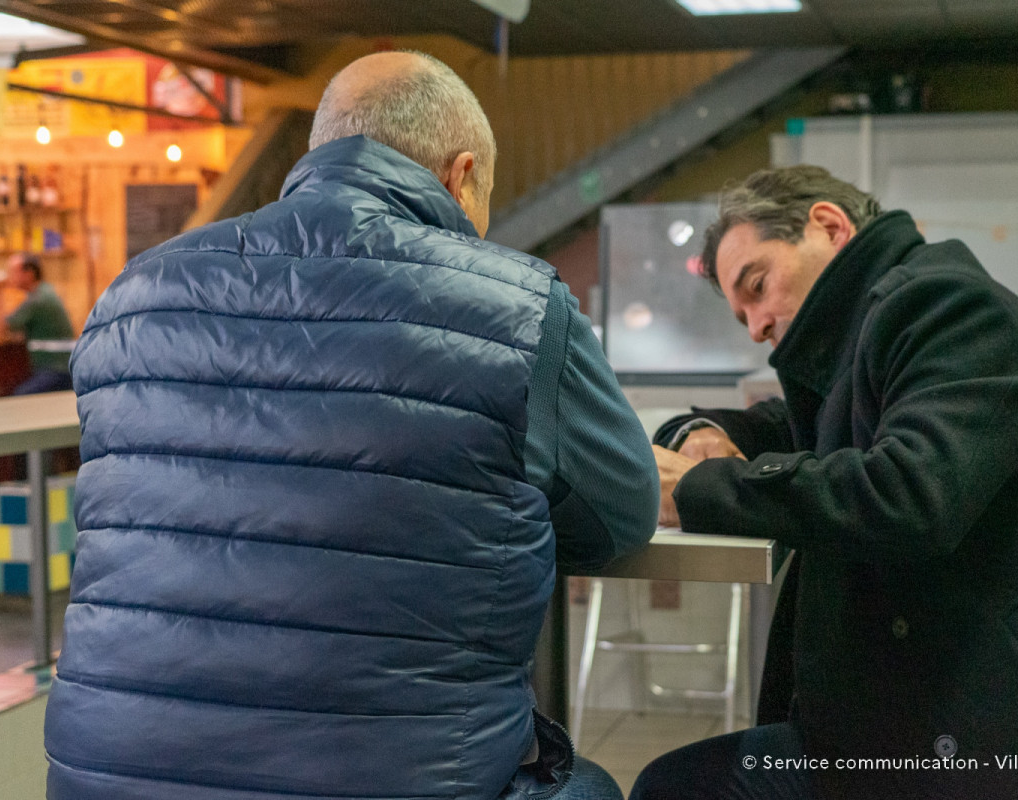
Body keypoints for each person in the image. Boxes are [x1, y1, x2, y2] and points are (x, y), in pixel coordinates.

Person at [44, 51, 659, 800]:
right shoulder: (520, 307)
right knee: (590, 786)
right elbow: (621, 515)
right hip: (399, 781)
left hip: (108, 778)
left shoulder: (130, 295)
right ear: (462, 175)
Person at [633, 165, 1018, 800]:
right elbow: (788, 428)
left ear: (829, 226)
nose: (755, 326)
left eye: (757, 286)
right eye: (741, 312)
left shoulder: (949, 305)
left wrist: (700, 488)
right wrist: (697, 431)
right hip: (951, 716)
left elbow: (911, 495)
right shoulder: (869, 336)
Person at [0, 251, 74, 394]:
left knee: (19, 398)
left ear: (29, 274)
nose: (10, 277)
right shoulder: (44, 292)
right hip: (62, 367)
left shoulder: (37, 300)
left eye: (13, 271)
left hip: (57, 370)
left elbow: (2, 328)